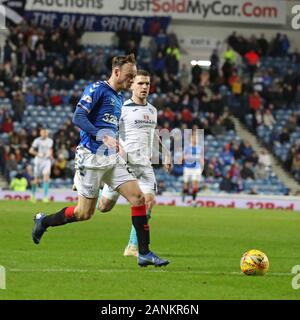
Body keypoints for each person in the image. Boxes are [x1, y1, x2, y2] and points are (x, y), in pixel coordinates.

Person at [31, 54, 169, 268]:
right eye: (129, 76)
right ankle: (44, 221)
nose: (131, 81)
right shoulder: (97, 89)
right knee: (84, 213)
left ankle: (143, 253)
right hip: (90, 158)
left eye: (134, 77)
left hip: (112, 159)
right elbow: (78, 117)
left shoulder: (118, 98)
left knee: (139, 198)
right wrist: (101, 135)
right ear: (116, 72)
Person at [98, 70, 172, 257]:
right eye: (140, 83)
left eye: (147, 84)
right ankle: (98, 185)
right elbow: (107, 131)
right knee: (104, 207)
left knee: (148, 202)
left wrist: (166, 153)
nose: (144, 87)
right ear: (131, 85)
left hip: (144, 165)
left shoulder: (152, 110)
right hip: (123, 164)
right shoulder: (122, 108)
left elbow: (153, 134)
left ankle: (133, 246)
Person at [29, 128, 53, 202]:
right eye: (43, 132)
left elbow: (50, 149)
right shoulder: (37, 140)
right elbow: (30, 150)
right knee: (36, 180)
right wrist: (38, 154)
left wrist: (50, 155)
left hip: (46, 161)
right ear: (40, 133)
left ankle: (45, 197)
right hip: (38, 161)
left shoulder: (50, 141)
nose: (44, 134)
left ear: (47, 133)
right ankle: (32, 195)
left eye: (45, 132)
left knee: (46, 178)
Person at [182, 131, 204, 207]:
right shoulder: (187, 147)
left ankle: (194, 201)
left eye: (196, 138)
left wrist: (202, 166)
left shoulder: (200, 148)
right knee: (186, 185)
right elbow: (182, 157)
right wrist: (187, 157)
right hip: (187, 168)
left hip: (196, 168)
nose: (194, 139)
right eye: (193, 137)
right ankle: (184, 193)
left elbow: (201, 158)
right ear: (191, 139)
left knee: (195, 185)